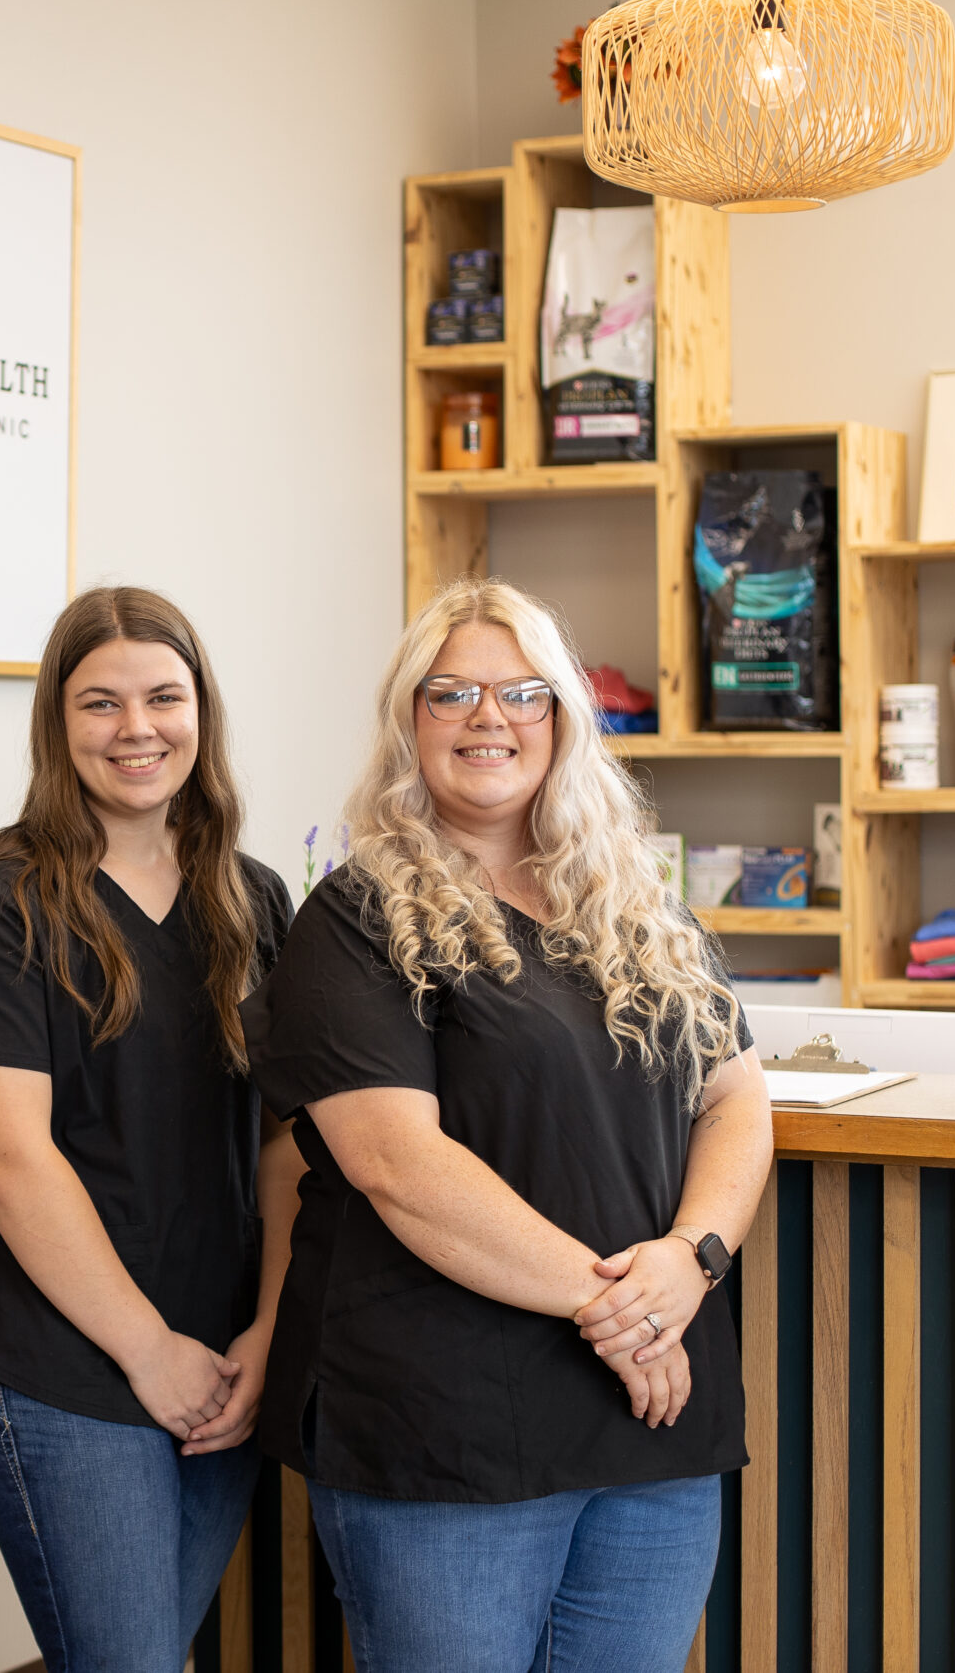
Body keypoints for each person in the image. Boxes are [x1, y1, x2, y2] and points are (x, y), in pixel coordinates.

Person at [242, 575, 776, 1671]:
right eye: (452, 695)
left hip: (650, 1420)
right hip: (451, 1428)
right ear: (408, 725)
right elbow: (396, 1163)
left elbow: (734, 1097)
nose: (490, 719)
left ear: (563, 721)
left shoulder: (634, 902)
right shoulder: (356, 915)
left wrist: (693, 1257)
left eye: (523, 694)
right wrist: (623, 1309)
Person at [0, 586, 294, 1673]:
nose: (137, 730)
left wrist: (265, 1331)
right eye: (101, 704)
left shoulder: (252, 900)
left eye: (163, 698)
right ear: (56, 721)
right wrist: (147, 1351)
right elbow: (8, 1153)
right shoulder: (4, 901)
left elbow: (283, 1143)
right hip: (60, 1367)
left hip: (222, 1361)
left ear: (201, 713)